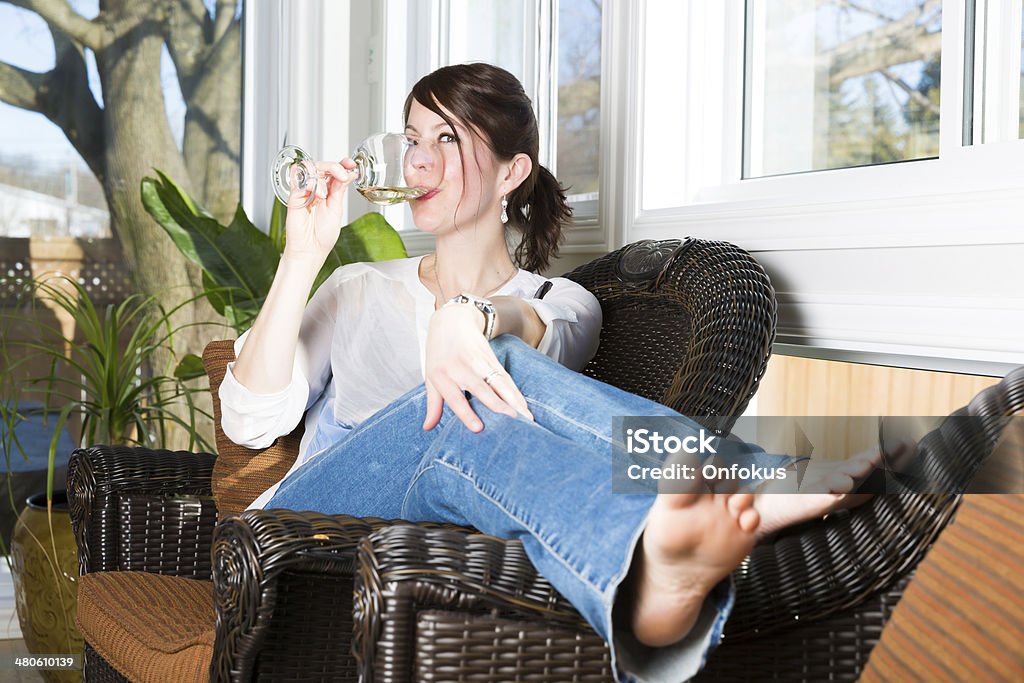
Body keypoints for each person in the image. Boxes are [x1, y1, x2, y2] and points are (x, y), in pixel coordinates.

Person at [218, 63, 879, 682]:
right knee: (480, 378)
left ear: (512, 172)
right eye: (413, 136)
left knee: (481, 388)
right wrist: (302, 256)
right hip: (307, 526)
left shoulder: (559, 302)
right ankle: (745, 468)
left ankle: (644, 589)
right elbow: (250, 421)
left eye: (447, 138)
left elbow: (527, 340)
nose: (419, 158)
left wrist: (468, 317)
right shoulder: (358, 286)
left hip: (431, 535)